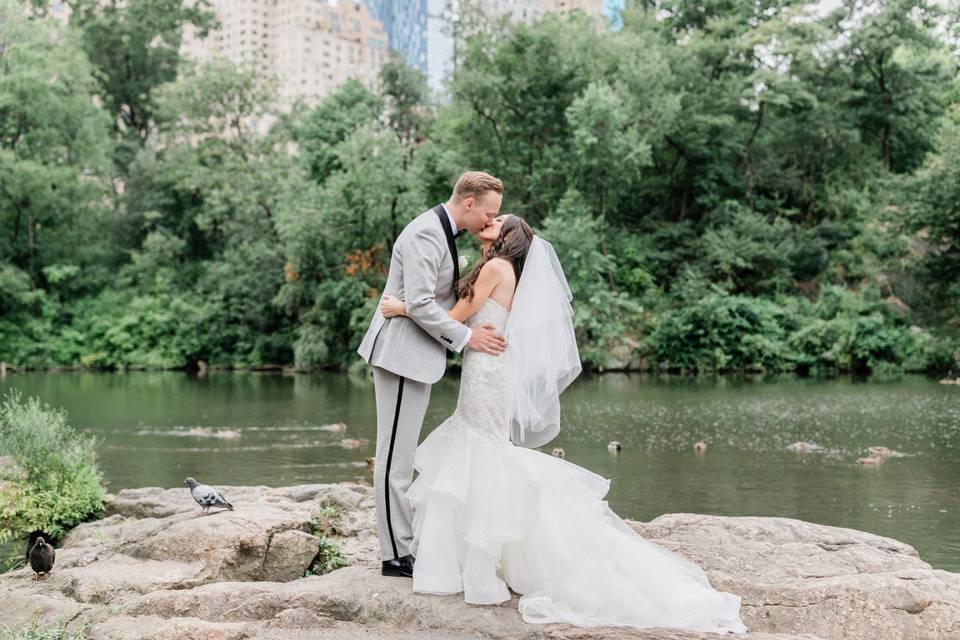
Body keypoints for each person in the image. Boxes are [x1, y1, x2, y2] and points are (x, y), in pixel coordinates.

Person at [378, 214, 748, 633]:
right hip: (485, 369)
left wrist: (403, 307)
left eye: (498, 220)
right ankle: (481, 555)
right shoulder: (498, 266)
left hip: (486, 373)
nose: (490, 220)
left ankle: (483, 560)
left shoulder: (498, 267)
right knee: (481, 451)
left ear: (509, 237)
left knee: (481, 452)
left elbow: (460, 314)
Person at [357, 171, 508, 579]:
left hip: (415, 353)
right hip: (402, 354)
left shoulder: (444, 233)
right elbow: (423, 303)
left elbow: (432, 297)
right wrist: (467, 337)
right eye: (489, 212)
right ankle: (395, 556)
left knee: (401, 455)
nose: (490, 220)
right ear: (469, 202)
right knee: (395, 456)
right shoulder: (426, 233)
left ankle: (401, 546)